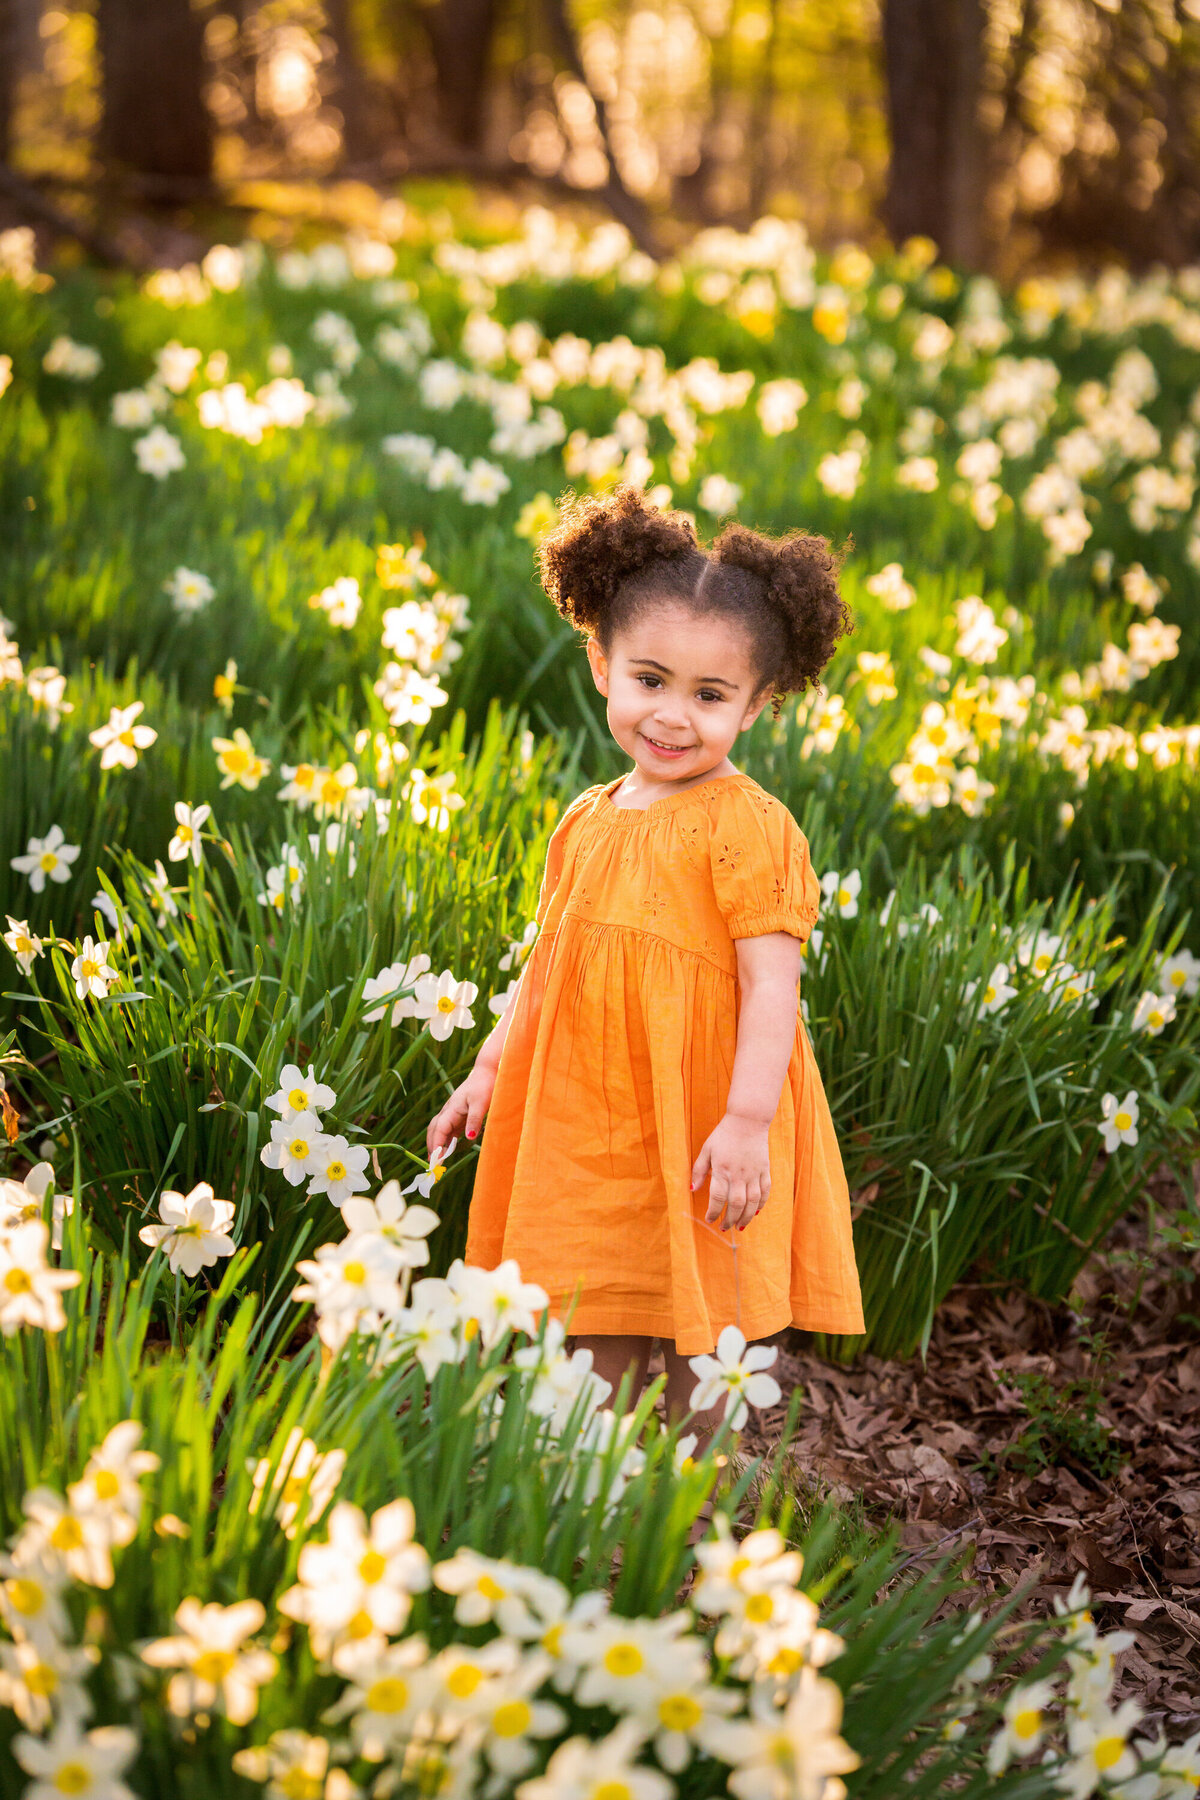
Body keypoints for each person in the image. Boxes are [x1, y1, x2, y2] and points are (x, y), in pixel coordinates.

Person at [425, 483, 865, 1479]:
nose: (672, 716)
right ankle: (592, 1481)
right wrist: (490, 1070)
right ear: (602, 667)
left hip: (705, 1111)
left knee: (702, 1311)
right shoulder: (586, 818)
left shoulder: (746, 826)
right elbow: (546, 962)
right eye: (650, 681)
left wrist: (749, 1120)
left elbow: (771, 988)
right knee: (590, 1288)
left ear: (758, 704)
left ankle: (696, 1490)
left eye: (709, 697)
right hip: (588, 1114)